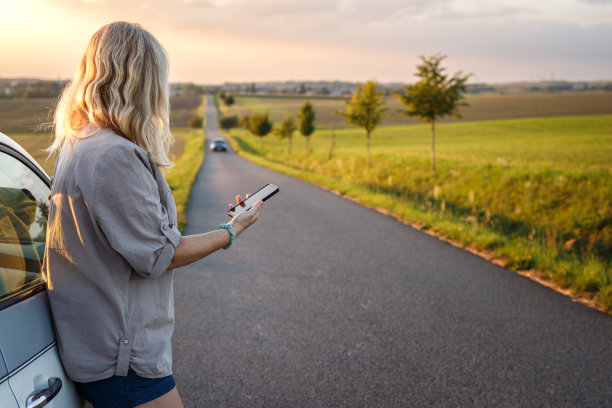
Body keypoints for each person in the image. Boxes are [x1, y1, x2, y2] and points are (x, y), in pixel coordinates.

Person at [42, 21, 262, 408]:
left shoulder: (80, 143)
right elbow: (160, 255)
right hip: (123, 361)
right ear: (143, 80)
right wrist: (231, 230)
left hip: (95, 348)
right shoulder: (116, 155)